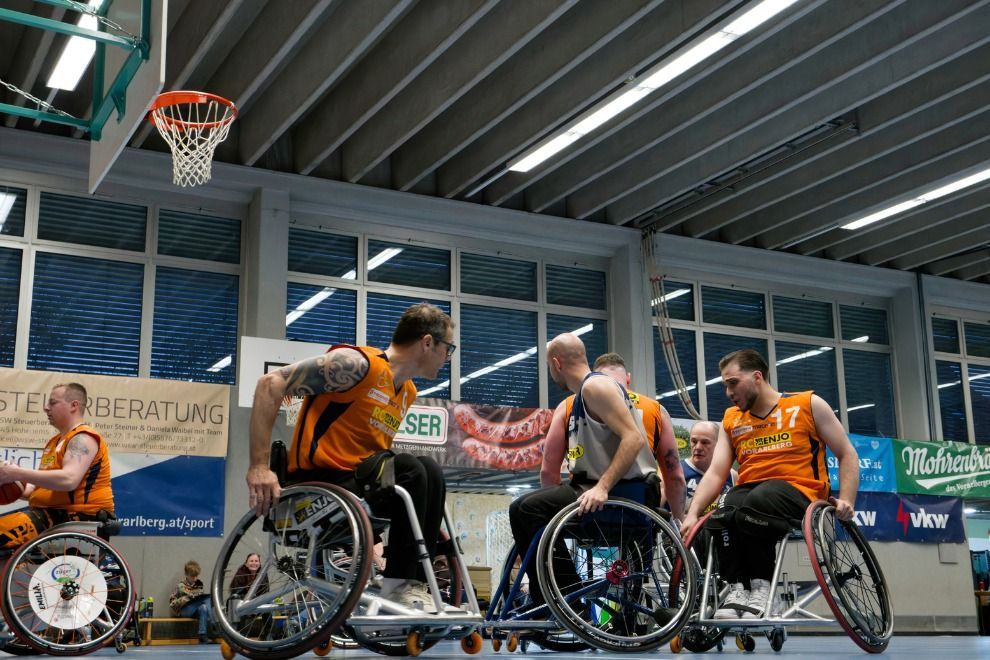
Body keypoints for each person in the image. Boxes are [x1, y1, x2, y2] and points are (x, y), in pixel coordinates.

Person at [246, 303, 454, 612]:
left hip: (360, 484)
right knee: (411, 468)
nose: (448, 357)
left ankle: (414, 585)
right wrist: (259, 467)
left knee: (430, 470)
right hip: (320, 480)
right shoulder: (357, 365)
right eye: (448, 348)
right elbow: (269, 384)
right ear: (427, 342)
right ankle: (398, 586)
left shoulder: (407, 391)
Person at [680, 349, 859, 620]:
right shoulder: (732, 419)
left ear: (757, 377)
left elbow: (847, 454)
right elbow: (717, 473)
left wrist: (847, 499)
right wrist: (693, 513)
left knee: (755, 501)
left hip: (800, 494)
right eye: (724, 385)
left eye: (733, 383)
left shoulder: (807, 404)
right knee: (723, 511)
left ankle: (765, 590)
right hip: (752, 495)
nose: (728, 392)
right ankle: (739, 588)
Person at [510, 333, 659, 608]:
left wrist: (602, 487)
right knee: (527, 507)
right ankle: (560, 594)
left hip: (621, 494)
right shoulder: (582, 394)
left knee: (524, 510)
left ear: (556, 363)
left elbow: (634, 438)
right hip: (594, 488)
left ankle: (559, 596)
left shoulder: (596, 388)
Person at [540, 351, 686, 520]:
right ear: (628, 379)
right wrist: (679, 520)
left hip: (585, 507)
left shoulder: (568, 406)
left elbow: (548, 472)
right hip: (638, 507)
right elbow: (675, 476)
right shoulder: (655, 410)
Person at [0, 383, 114, 549]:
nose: (46, 408)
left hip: (75, 518)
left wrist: (17, 473)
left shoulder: (83, 438)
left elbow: (69, 480)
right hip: (48, 515)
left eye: (52, 403)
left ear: (74, 405)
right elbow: (37, 490)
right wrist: (9, 482)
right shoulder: (54, 443)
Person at [675, 421, 737, 511]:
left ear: (718, 445)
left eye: (705, 442)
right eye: (694, 441)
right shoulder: (676, 471)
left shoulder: (732, 475)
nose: (698, 447)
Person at [170, 560, 213, 643]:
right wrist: (183, 599)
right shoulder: (181, 586)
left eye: (196, 576)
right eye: (192, 576)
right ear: (186, 575)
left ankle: (202, 635)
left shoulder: (199, 583)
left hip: (196, 610)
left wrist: (197, 596)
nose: (195, 578)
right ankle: (215, 624)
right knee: (205, 601)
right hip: (185, 610)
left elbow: (199, 596)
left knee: (204, 607)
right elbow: (172, 603)